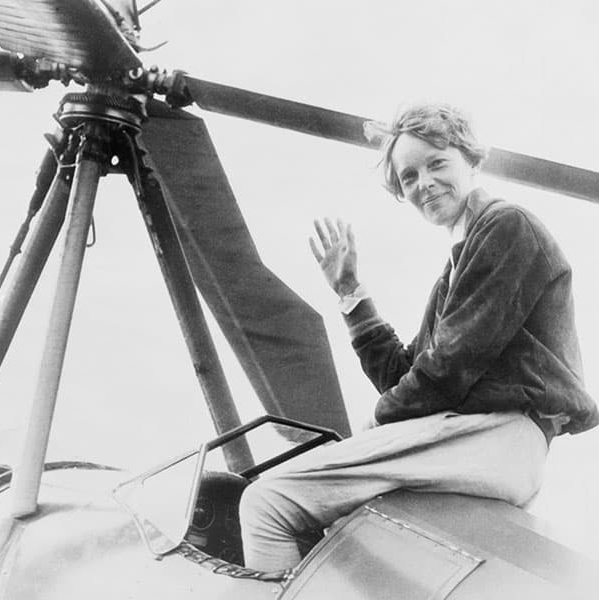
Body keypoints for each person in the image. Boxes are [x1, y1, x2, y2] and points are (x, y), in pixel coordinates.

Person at [238, 103, 599, 573]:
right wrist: (350, 291)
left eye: (437, 163)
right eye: (408, 177)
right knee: (341, 533)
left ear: (471, 160)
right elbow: (403, 376)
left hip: (496, 437)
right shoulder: (460, 264)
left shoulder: (507, 227)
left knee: (267, 502)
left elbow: (448, 368)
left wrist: (374, 425)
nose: (423, 183)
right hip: (481, 444)